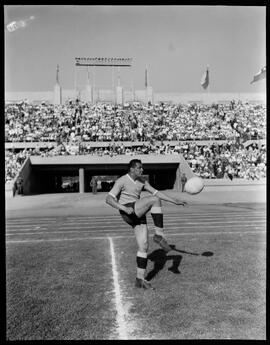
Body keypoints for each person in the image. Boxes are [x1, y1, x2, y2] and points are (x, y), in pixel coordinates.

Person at [106, 159, 187, 290]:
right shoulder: (122, 180)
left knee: (143, 247)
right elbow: (109, 199)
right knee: (154, 200)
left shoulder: (142, 181)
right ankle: (159, 235)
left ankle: (140, 279)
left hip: (138, 214)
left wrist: (174, 201)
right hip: (128, 210)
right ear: (131, 169)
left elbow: (156, 192)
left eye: (142, 168)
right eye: (139, 168)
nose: (141, 170)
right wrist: (123, 208)